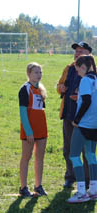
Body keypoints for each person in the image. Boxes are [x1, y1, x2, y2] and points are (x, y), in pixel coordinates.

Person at [57, 42, 92, 188]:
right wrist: (61, 88)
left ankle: (88, 179)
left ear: (89, 54)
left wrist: (82, 98)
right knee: (68, 148)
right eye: (76, 51)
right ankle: (70, 177)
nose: (77, 54)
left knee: (86, 150)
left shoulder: (93, 71)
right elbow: (59, 86)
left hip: (87, 117)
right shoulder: (69, 68)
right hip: (69, 114)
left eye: (81, 51)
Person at [67, 55, 97, 203]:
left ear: (83, 67)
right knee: (91, 155)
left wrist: (77, 119)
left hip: (83, 125)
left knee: (74, 156)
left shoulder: (85, 80)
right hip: (94, 125)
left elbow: (86, 101)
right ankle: (94, 189)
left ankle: (81, 192)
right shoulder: (96, 79)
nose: (77, 71)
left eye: (77, 68)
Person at [18, 62, 48, 197]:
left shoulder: (41, 89)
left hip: (41, 128)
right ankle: (23, 187)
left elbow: (40, 110)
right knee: (26, 157)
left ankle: (38, 186)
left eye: (40, 72)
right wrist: (29, 131)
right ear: (28, 74)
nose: (39, 75)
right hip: (29, 130)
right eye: (36, 72)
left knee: (40, 157)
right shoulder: (25, 89)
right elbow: (23, 113)